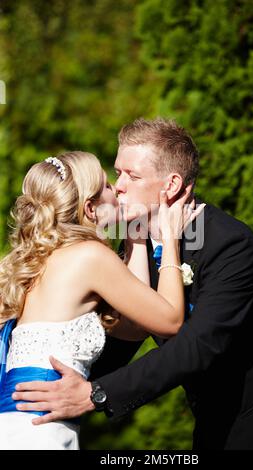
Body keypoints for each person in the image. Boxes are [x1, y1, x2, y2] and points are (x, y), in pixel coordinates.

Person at [13, 119, 253, 450]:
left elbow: (199, 345)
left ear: (172, 184)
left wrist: (97, 394)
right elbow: (123, 338)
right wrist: (66, 382)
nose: (118, 186)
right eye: (117, 172)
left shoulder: (229, 243)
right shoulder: (137, 246)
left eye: (132, 176)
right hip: (210, 428)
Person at [0, 150, 202, 450]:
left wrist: (135, 236)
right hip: (39, 431)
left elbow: (135, 325)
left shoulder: (43, 261)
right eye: (107, 185)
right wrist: (171, 239)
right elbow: (169, 321)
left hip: (19, 424)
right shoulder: (90, 257)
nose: (118, 188)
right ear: (91, 208)